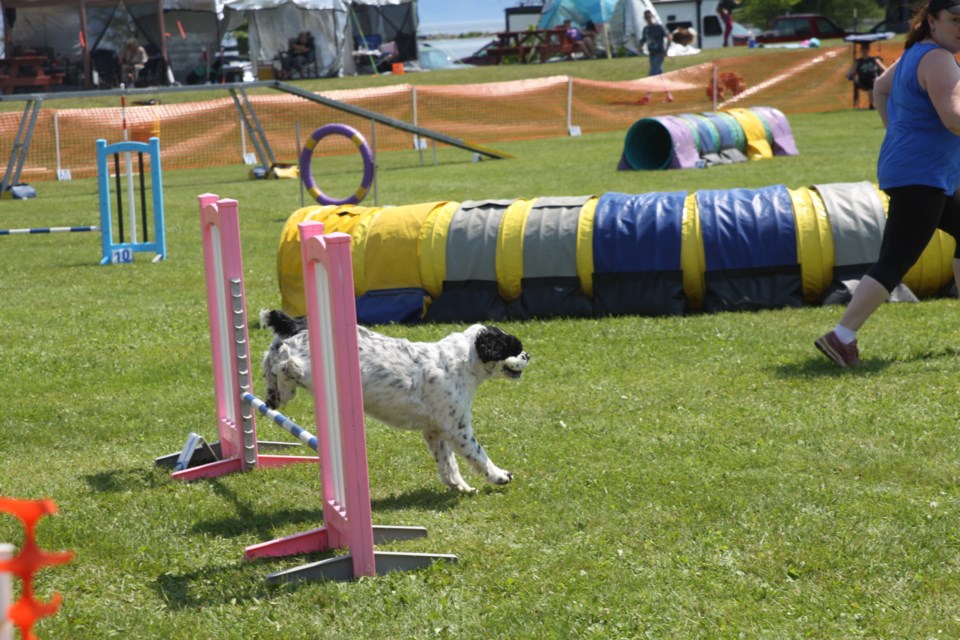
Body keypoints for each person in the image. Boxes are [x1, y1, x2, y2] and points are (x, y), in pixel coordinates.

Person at [815, 0, 960, 368]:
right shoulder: (939, 59)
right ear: (932, 21)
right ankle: (841, 335)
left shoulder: (913, 54)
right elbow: (953, 119)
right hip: (921, 176)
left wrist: (898, 131)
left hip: (919, 170)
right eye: (955, 20)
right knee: (894, 261)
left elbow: (880, 89)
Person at [639, 10, 673, 104]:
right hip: (651, 55)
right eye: (646, 17)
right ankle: (669, 95)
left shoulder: (659, 27)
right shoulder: (645, 29)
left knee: (651, 76)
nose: (648, 18)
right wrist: (640, 45)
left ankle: (647, 96)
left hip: (659, 55)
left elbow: (669, 37)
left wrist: (666, 50)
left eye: (649, 16)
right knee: (660, 76)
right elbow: (643, 39)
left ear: (652, 16)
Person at [846, 41, 888, 109]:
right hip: (863, 81)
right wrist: (849, 75)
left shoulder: (875, 60)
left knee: (874, 80)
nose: (865, 51)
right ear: (861, 50)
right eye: (863, 49)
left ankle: (879, 103)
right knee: (870, 83)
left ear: (869, 49)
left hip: (875, 79)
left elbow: (884, 69)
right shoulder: (857, 61)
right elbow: (850, 72)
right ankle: (871, 104)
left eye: (866, 49)